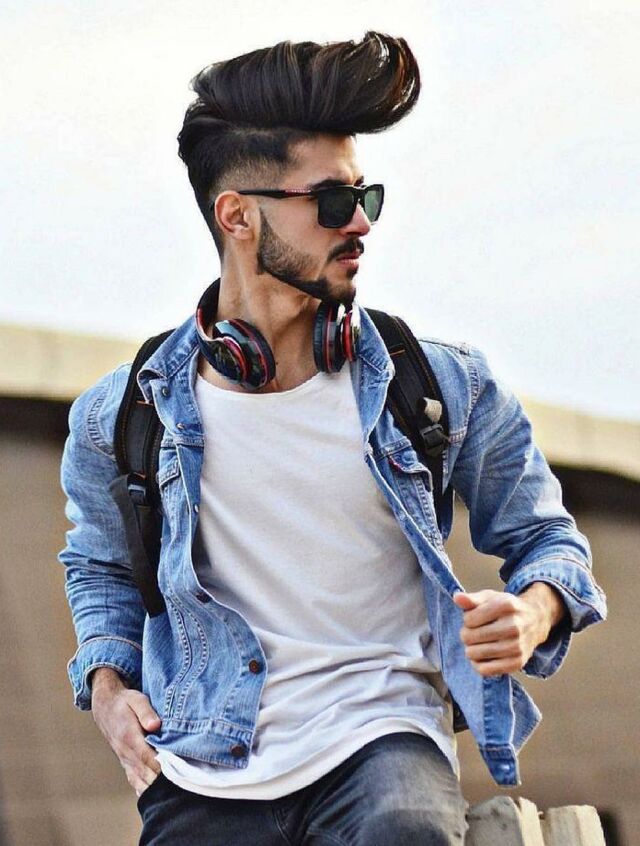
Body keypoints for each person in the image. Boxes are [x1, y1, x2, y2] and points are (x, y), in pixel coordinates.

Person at [59, 32, 607, 846]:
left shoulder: (441, 385)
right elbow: (99, 567)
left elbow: (550, 541)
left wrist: (532, 612)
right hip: (205, 760)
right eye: (329, 202)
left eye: (365, 197)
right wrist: (108, 688)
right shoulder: (125, 414)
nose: (359, 224)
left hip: (382, 742)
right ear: (237, 216)